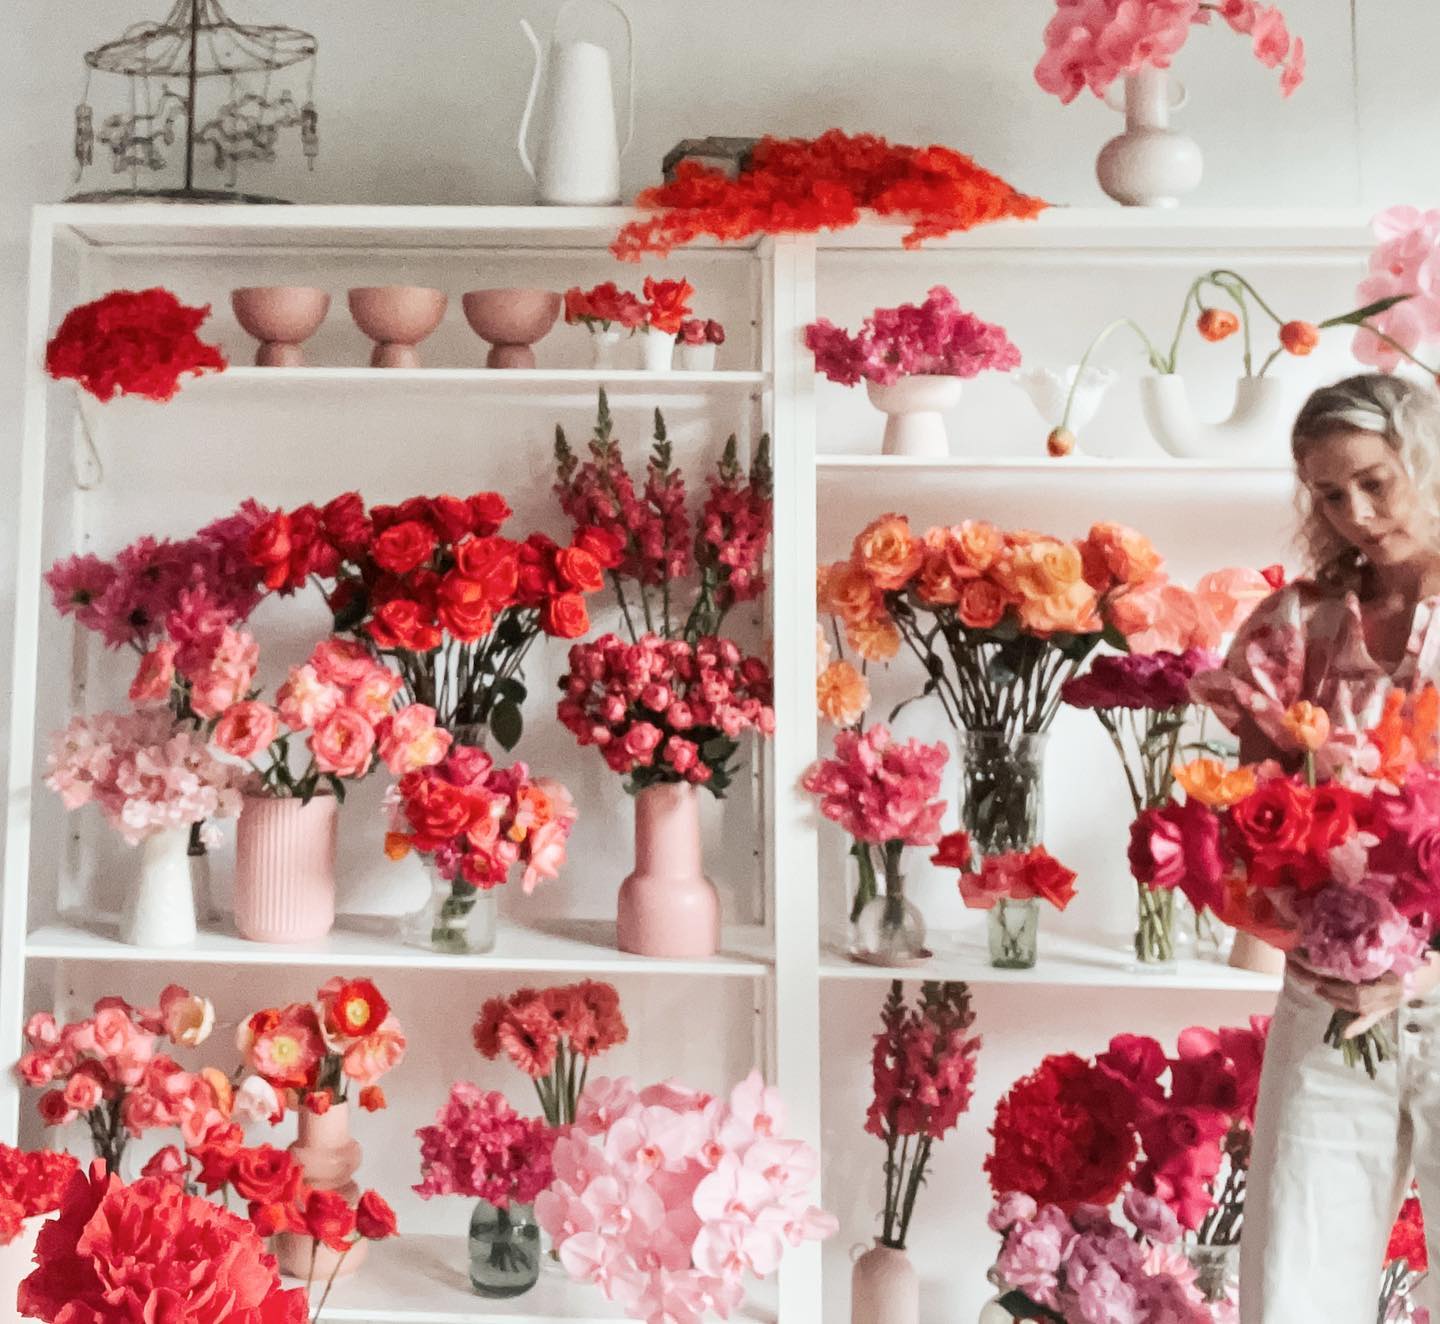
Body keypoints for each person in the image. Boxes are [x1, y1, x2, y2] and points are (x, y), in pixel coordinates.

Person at [1191, 373, 1440, 1322]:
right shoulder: (1294, 625)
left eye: (1376, 481)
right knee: (1292, 1284)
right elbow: (1246, 813)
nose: (1357, 514)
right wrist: (1305, 926)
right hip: (1329, 992)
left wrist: (1419, 969)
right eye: (1330, 495)